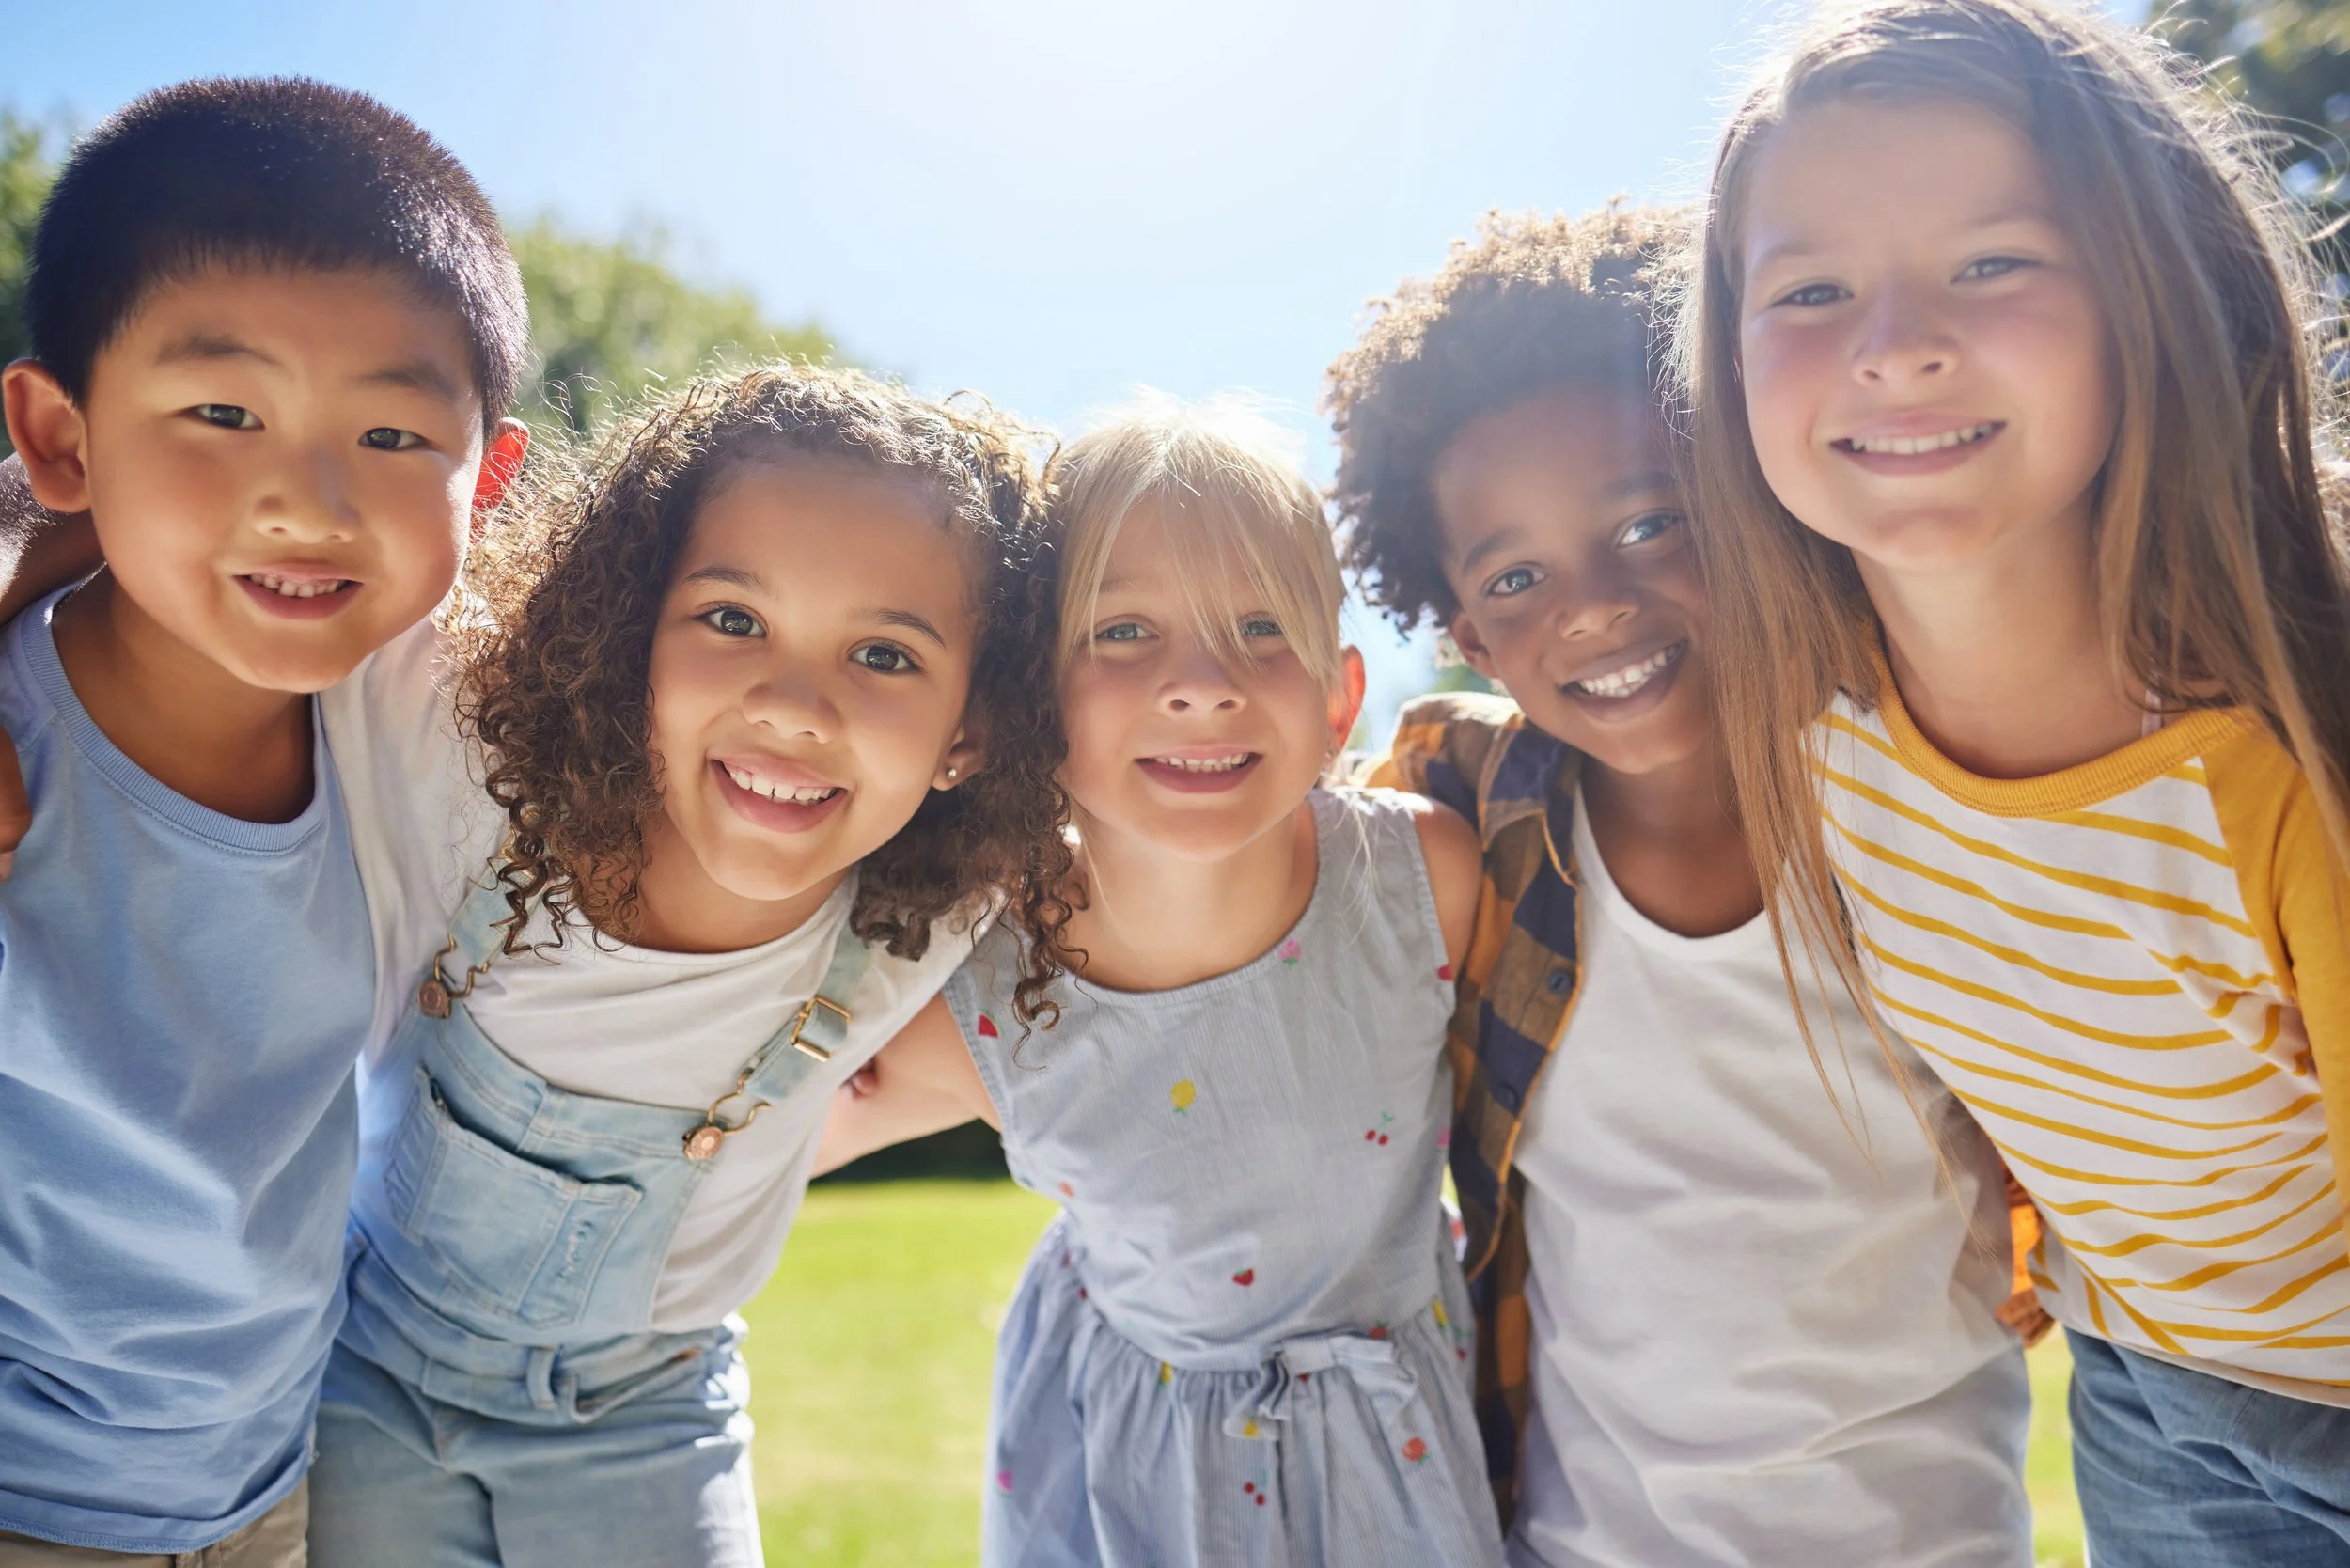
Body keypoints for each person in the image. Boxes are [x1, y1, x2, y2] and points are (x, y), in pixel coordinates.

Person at [1684, 1, 2350, 1561]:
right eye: (1811, 286)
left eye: (1993, 262)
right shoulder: (1813, 726)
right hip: (2148, 1400)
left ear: (2148, 292)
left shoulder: (2286, 757)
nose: (1895, 339)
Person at [1329, 204, 2033, 1567]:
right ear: (1470, 633)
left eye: (1650, 523)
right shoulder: (1469, 825)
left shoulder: (1920, 800)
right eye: (1518, 577)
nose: (1588, 605)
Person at [816, 398, 1504, 1568]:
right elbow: (741, 1143)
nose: (1201, 683)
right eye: (1124, 633)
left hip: (1399, 1426)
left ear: (1340, 700)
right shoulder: (986, 996)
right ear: (1034, 701)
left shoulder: (1420, 880)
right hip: (1142, 1461)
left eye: (1258, 629)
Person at [0, 78, 529, 1564]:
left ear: (488, 483)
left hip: (274, 1505)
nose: (307, 500)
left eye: (391, 436)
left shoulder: (414, 735)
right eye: (221, 412)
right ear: (61, 437)